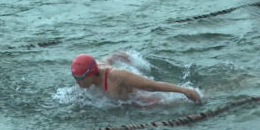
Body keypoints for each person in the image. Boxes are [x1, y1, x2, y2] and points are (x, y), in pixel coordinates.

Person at [71, 52, 201, 103]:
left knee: (170, 104)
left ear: (92, 73)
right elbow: (107, 59)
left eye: (80, 78)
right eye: (75, 77)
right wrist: (120, 56)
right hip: (118, 104)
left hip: (138, 99)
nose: (77, 82)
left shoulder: (116, 76)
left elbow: (151, 85)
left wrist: (185, 91)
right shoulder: (91, 72)